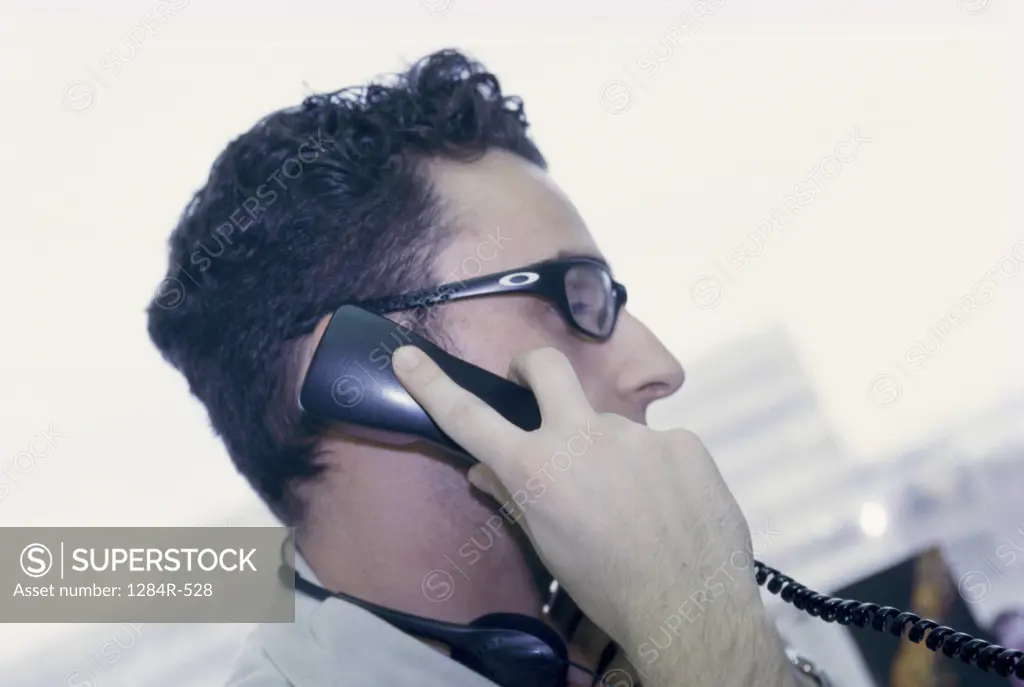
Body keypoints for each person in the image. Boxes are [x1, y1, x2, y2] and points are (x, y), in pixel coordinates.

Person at [146, 48, 827, 686]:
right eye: (573, 298)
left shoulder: (629, 630)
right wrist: (704, 633)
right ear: (365, 372)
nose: (659, 366)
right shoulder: (693, 626)